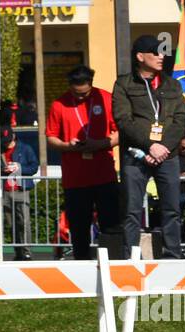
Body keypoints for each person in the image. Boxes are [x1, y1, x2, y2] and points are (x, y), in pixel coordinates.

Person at [114, 35, 185, 258]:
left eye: (163, 52)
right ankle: (131, 256)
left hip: (168, 155)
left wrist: (163, 146)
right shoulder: (123, 84)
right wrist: (149, 146)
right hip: (135, 156)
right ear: (140, 56)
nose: (161, 56)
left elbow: (179, 119)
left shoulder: (172, 84)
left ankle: (172, 254)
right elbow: (124, 120)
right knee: (132, 210)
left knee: (172, 209)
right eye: (155, 52)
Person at [46, 65, 120, 260]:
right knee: (79, 229)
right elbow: (51, 137)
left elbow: (120, 132)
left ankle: (113, 264)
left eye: (85, 93)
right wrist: (68, 145)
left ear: (91, 85)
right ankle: (82, 267)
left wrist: (100, 144)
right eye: (76, 94)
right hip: (75, 178)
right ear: (70, 87)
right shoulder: (59, 104)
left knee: (111, 225)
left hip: (104, 174)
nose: (81, 98)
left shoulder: (105, 98)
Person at [0, 128, 38, 260]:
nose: (6, 144)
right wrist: (2, 169)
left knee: (24, 222)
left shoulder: (25, 148)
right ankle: (18, 251)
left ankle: (26, 251)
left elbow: (34, 167)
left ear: (14, 137)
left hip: (21, 190)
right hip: (5, 191)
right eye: (5, 142)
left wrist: (19, 168)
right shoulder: (0, 151)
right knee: (11, 224)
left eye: (8, 141)